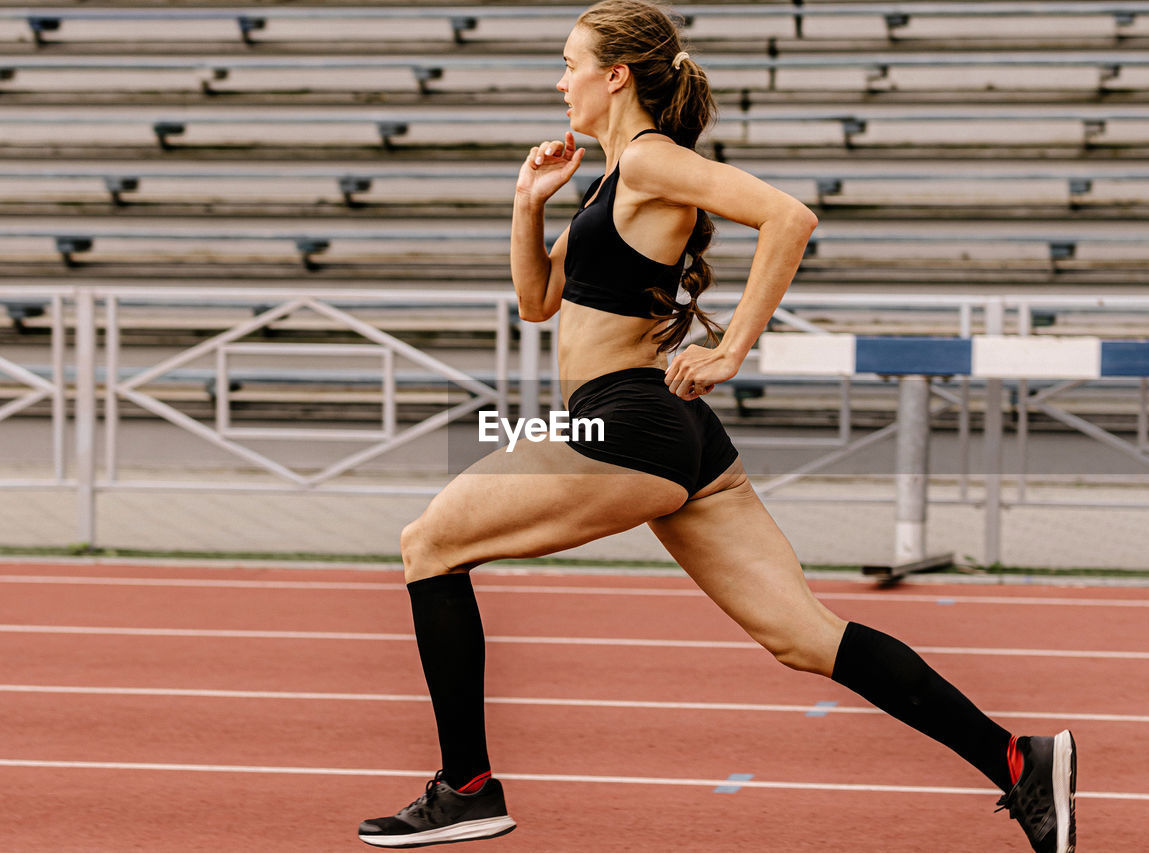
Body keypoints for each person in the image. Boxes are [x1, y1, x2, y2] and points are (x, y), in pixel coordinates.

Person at [356, 1, 1076, 851]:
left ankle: (466, 786)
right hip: (676, 435)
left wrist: (733, 346)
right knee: (804, 636)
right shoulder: (616, 176)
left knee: (428, 543)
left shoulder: (655, 160)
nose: (560, 81)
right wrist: (527, 202)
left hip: (623, 422)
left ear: (615, 74)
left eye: (569, 63)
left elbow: (789, 217)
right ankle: (1019, 761)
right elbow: (538, 302)